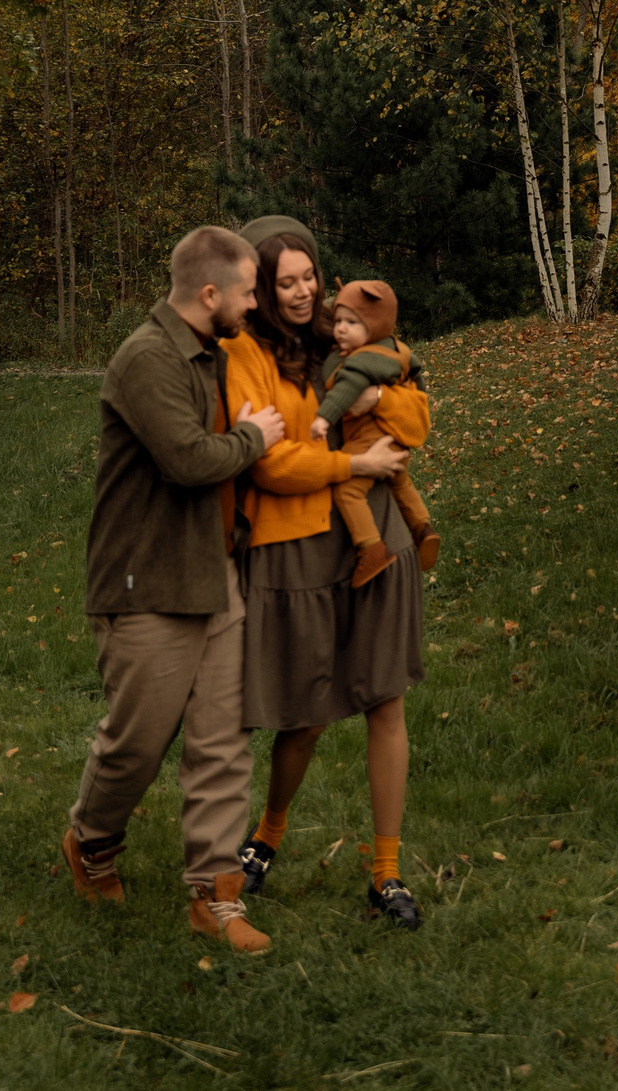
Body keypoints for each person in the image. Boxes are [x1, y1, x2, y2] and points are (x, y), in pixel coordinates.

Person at [63, 225, 289, 956]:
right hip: (144, 581)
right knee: (139, 741)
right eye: (250, 291)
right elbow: (190, 460)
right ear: (211, 293)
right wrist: (256, 436)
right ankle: (91, 840)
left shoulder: (214, 355)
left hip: (212, 575)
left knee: (224, 743)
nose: (255, 305)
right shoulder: (146, 358)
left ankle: (214, 897)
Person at [221, 215, 432, 929]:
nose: (305, 292)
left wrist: (382, 403)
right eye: (286, 282)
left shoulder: (350, 337)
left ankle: (386, 872)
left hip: (377, 539)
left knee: (385, 700)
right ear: (260, 286)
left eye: (310, 276)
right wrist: (355, 461)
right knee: (304, 715)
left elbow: (417, 412)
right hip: (302, 549)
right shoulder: (246, 353)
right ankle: (267, 836)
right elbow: (270, 463)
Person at [313, 279, 439, 589]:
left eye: (350, 323)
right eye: (337, 321)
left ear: (372, 327)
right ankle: (423, 527)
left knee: (348, 491)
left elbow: (344, 393)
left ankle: (370, 547)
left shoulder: (361, 361)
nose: (340, 329)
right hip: (393, 436)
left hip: (369, 438)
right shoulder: (396, 349)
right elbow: (418, 382)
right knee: (400, 480)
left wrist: (322, 419)